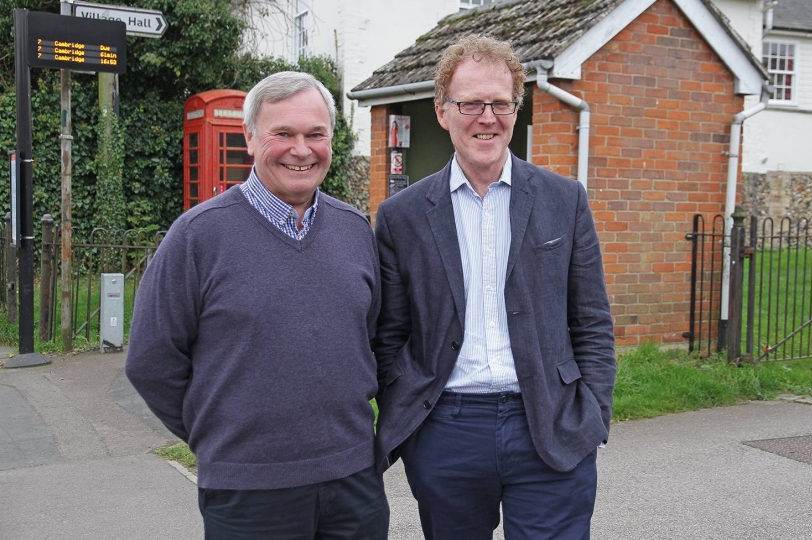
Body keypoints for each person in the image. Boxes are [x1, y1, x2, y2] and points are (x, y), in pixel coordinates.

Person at [373, 35, 616, 540]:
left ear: (515, 108)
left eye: (500, 103)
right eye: (471, 103)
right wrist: (411, 412)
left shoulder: (563, 200)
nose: (487, 117)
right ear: (443, 112)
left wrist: (593, 411)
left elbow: (591, 319)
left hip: (550, 423)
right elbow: (389, 333)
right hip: (447, 431)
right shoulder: (402, 216)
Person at [126, 71, 389, 539]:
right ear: (250, 139)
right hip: (247, 491)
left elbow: (368, 340)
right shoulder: (198, 236)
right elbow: (151, 361)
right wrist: (217, 438)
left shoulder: (354, 231)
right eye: (282, 134)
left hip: (354, 483)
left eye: (315, 134)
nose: (301, 149)